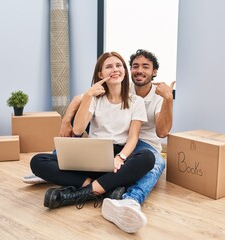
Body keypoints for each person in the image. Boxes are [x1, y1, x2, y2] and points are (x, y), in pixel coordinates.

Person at [58, 49, 175, 233]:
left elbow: (162, 132)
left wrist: (168, 98)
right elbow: (79, 98)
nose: (139, 70)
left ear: (154, 72)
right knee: (59, 153)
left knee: (156, 161)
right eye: (135, 66)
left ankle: (130, 201)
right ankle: (111, 187)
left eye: (146, 67)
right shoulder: (120, 84)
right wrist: (65, 121)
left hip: (143, 145)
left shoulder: (158, 95)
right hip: (119, 142)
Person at [29, 52, 155, 218]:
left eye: (119, 65)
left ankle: (78, 194)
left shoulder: (135, 101)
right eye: (109, 66)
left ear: (124, 70)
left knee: (147, 157)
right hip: (92, 156)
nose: (115, 69)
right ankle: (103, 188)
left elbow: (133, 138)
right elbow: (78, 130)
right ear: (100, 74)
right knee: (37, 161)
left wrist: (121, 157)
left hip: (117, 158)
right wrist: (88, 96)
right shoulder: (95, 99)